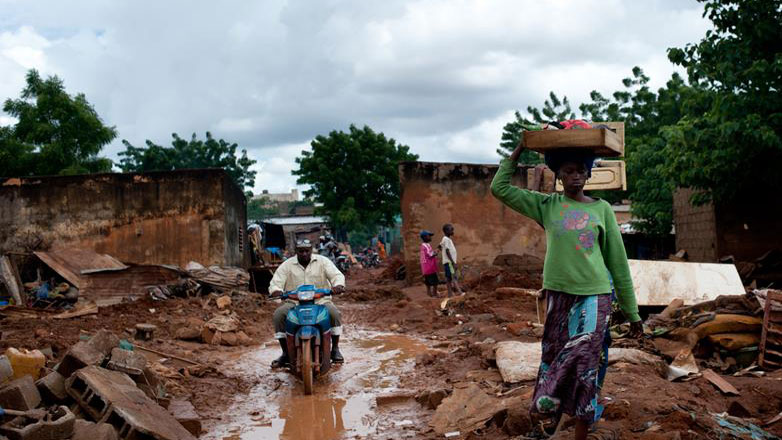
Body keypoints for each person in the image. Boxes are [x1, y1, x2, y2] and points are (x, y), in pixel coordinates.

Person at [491, 143, 643, 440]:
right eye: (568, 171)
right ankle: (552, 420)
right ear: (558, 176)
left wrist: (632, 311)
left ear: (588, 175)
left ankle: (581, 432)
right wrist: (519, 150)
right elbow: (500, 188)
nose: (575, 176)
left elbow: (618, 263)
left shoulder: (602, 210)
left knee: (585, 362)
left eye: (581, 171)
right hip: (558, 296)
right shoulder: (547, 206)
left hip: (596, 295)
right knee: (554, 358)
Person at [268, 239, 346, 368]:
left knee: (334, 314)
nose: (304, 254)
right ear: (296, 251)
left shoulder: (323, 262)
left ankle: (335, 349)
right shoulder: (287, 265)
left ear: (311, 250)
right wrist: (276, 291)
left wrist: (338, 285)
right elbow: (276, 281)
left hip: (321, 301)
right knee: (278, 315)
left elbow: (336, 275)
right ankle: (286, 353)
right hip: (294, 303)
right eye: (301, 251)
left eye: (307, 251)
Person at [439, 224, 464, 297]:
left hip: (448, 262)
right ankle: (460, 292)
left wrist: (437, 249)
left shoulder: (446, 239)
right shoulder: (446, 239)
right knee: (453, 277)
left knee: (448, 278)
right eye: (451, 229)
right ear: (446, 231)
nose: (452, 231)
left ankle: (450, 294)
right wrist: (453, 262)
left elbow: (440, 245)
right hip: (449, 262)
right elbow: (447, 251)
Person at [419, 230, 439, 297]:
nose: (430, 237)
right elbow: (430, 254)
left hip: (426, 268)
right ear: (424, 237)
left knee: (428, 283)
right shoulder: (425, 246)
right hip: (430, 268)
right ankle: (434, 294)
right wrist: (437, 251)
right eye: (429, 236)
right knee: (435, 282)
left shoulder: (424, 246)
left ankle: (429, 294)